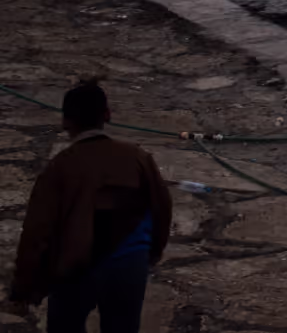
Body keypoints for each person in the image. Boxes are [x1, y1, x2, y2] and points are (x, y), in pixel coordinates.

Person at [6, 81, 172, 333]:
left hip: (76, 268)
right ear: (107, 115)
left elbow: (36, 232)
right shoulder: (137, 157)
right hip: (130, 263)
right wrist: (153, 252)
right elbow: (162, 206)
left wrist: (23, 288)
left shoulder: (59, 167)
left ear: (66, 122)